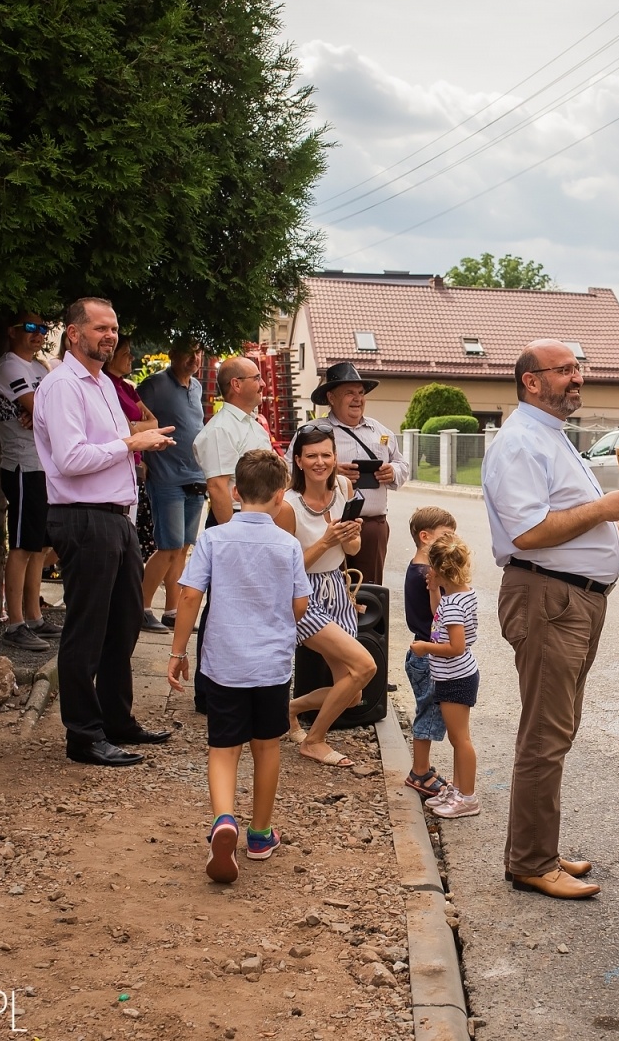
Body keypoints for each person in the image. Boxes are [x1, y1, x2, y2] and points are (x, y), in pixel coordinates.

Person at [481, 339, 619, 900]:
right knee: (546, 733)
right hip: (548, 600)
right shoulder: (519, 444)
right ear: (532, 381)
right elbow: (528, 534)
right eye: (565, 371)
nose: (577, 378)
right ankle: (531, 861)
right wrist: (606, 509)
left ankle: (540, 847)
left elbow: (563, 518)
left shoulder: (548, 438)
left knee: (557, 729)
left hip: (569, 599)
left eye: (577, 369)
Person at [33, 297, 177, 767]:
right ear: (74, 333)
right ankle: (84, 734)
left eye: (114, 328)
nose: (110, 336)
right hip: (83, 516)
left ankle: (117, 720)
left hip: (116, 518)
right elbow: (72, 460)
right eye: (100, 328)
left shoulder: (103, 385)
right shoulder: (61, 387)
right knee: (88, 630)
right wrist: (132, 442)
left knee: (123, 625)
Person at [166, 450, 312, 884]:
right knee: (266, 747)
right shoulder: (288, 545)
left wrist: (177, 652)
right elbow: (300, 605)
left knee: (223, 748)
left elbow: (190, 596)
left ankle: (223, 820)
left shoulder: (213, 539)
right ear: (281, 496)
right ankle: (261, 834)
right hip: (270, 665)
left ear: (234, 492)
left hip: (224, 664)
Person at [276, 423, 376, 766]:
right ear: (299, 461)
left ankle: (288, 709)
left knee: (352, 691)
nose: (320, 462)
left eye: (326, 455)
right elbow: (284, 569)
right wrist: (325, 541)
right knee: (365, 665)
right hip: (304, 594)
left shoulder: (345, 487)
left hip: (336, 586)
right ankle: (314, 741)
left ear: (335, 458)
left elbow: (354, 547)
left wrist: (348, 536)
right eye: (312, 456)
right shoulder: (288, 506)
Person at [189, 356, 274, 712]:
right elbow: (220, 488)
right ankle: (208, 691)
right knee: (221, 607)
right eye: (256, 378)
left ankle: (243, 682)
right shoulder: (221, 430)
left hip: (258, 525)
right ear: (236, 385)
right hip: (232, 526)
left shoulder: (254, 425)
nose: (263, 384)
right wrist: (233, 540)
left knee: (249, 606)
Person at [0, 314, 61, 653]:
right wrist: (41, 411)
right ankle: (14, 622)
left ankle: (33, 616)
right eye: (30, 328)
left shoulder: (42, 369)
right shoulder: (9, 367)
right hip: (21, 466)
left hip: (43, 466)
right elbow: (41, 410)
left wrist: (43, 412)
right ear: (12, 331)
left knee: (39, 546)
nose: (38, 334)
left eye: (43, 329)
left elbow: (54, 410)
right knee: (20, 545)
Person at [314, 361, 411, 585]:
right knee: (328, 588)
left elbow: (402, 464)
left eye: (360, 393)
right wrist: (332, 473)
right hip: (327, 526)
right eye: (349, 393)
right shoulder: (315, 432)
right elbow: (292, 470)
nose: (358, 398)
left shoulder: (381, 431)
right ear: (331, 397)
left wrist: (393, 471)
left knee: (370, 594)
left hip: (372, 527)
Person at [410, 533, 482, 819]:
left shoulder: (453, 605)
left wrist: (424, 647)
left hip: (455, 678)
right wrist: (433, 591)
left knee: (460, 739)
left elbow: (455, 646)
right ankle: (458, 790)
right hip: (456, 676)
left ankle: (468, 797)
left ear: (438, 570)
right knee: (457, 738)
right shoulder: (462, 594)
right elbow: (439, 616)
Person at [137, 342, 206, 629]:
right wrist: (141, 459)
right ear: (173, 354)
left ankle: (172, 610)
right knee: (168, 546)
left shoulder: (197, 387)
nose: (194, 358)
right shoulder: (153, 385)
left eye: (199, 352)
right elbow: (131, 420)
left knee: (183, 548)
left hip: (195, 477)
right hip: (165, 477)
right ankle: (139, 607)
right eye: (188, 352)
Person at [403, 505, 458, 800]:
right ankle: (419, 773)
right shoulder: (427, 575)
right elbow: (440, 614)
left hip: (423, 650)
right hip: (428, 654)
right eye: (446, 535)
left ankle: (423, 768)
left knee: (430, 710)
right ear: (425, 537)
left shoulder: (420, 569)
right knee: (429, 711)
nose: (452, 541)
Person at [102, 337, 161, 584]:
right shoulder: (105, 385)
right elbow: (123, 431)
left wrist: (133, 427)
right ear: (112, 356)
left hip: (133, 464)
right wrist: (136, 428)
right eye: (126, 353)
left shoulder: (126, 387)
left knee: (131, 529)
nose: (131, 358)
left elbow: (154, 423)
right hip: (117, 462)